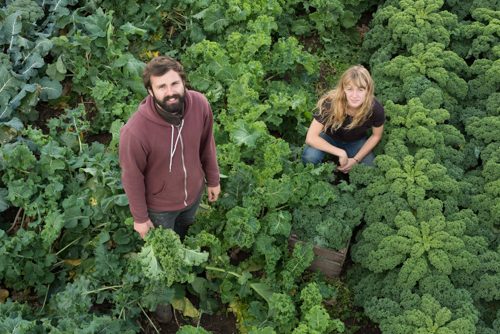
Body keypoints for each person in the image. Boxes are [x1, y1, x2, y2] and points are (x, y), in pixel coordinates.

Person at [119, 55, 221, 240]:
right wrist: (140, 218)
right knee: (167, 247)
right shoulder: (135, 132)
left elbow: (207, 144)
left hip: (193, 196)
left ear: (183, 82)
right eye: (161, 87)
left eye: (174, 83)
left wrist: (213, 180)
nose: (170, 92)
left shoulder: (200, 105)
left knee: (185, 231)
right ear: (150, 91)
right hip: (160, 208)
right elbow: (131, 177)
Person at [302, 65, 384, 173]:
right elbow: (311, 137)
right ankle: (320, 176)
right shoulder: (330, 103)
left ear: (368, 90)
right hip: (328, 137)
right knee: (310, 157)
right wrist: (340, 152)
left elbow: (376, 135)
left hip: (356, 141)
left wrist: (355, 160)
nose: (354, 95)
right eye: (350, 89)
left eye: (360, 89)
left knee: (370, 169)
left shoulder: (375, 109)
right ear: (343, 89)